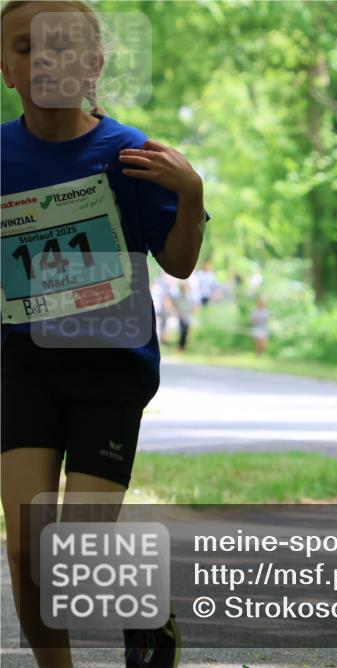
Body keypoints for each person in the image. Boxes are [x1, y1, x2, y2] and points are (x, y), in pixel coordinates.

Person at [0, 2, 206, 666]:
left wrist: (193, 195)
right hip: (21, 364)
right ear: (6, 66)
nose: (46, 62)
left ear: (94, 66)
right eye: (27, 48)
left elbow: (177, 262)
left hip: (109, 368)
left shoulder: (128, 153)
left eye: (65, 49)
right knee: (28, 545)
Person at [172, 282, 194, 352]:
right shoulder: (179, 297)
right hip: (181, 316)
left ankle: (183, 346)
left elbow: (191, 306)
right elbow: (177, 305)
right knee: (182, 331)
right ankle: (180, 346)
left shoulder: (189, 297)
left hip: (187, 316)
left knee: (185, 332)